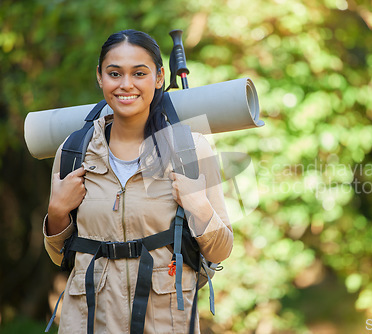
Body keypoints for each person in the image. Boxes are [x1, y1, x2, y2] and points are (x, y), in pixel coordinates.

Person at [43, 29, 233, 334]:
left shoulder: (190, 149)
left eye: (139, 73)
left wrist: (198, 205)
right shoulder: (73, 151)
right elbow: (60, 256)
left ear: (159, 78)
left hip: (165, 323)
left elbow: (220, 251)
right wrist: (56, 213)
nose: (126, 84)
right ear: (100, 77)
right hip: (90, 323)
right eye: (114, 73)